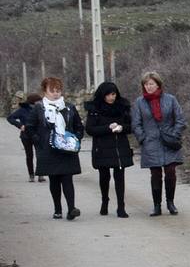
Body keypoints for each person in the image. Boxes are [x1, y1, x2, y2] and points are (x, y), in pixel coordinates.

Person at [26, 77, 84, 220]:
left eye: (58, 90)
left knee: (67, 179)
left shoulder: (69, 107)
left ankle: (71, 209)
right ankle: (57, 209)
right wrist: (39, 140)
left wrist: (75, 138)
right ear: (45, 91)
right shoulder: (39, 108)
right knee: (54, 180)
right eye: (52, 91)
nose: (56, 94)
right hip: (48, 150)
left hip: (67, 149)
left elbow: (78, 126)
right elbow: (30, 127)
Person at [131, 71, 186, 216]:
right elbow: (136, 123)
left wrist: (174, 134)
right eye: (146, 84)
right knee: (155, 174)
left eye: (151, 84)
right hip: (151, 143)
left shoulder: (170, 99)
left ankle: (170, 202)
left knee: (170, 172)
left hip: (169, 141)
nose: (149, 87)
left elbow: (180, 119)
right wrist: (142, 138)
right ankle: (156, 205)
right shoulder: (139, 102)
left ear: (158, 84)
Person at [84, 81, 134, 218]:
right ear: (102, 95)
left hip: (119, 146)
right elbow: (90, 129)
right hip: (102, 147)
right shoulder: (95, 109)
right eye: (108, 95)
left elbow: (131, 126)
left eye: (113, 94)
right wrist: (108, 128)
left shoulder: (122, 106)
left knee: (119, 176)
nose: (111, 97)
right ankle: (105, 200)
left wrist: (122, 128)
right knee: (104, 176)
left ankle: (121, 206)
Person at [6, 92, 41, 182]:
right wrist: (20, 125)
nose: (40, 102)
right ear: (33, 102)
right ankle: (31, 175)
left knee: (40, 155)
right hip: (26, 136)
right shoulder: (22, 110)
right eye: (38, 101)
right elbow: (10, 118)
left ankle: (41, 174)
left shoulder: (41, 109)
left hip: (37, 135)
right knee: (29, 155)